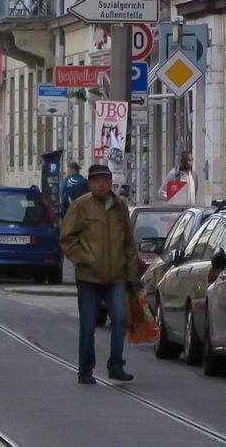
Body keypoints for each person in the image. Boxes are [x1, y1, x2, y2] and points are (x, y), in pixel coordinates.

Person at [61, 163, 139, 385]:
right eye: (96, 180)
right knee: (87, 327)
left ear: (110, 182)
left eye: (105, 179)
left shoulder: (119, 207)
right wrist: (83, 258)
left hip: (115, 276)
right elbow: (67, 239)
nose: (101, 183)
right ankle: (85, 370)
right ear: (90, 183)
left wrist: (131, 277)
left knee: (120, 318)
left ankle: (116, 364)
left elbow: (128, 244)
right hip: (88, 277)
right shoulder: (81, 206)